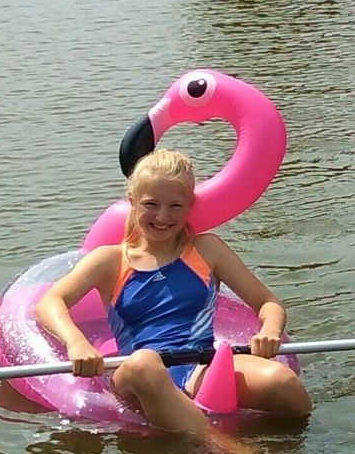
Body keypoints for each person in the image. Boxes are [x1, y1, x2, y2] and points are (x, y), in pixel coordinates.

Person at [35, 149, 312, 436]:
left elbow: (268, 302)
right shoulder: (110, 260)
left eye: (175, 206)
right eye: (151, 204)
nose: (162, 216)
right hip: (136, 375)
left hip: (200, 365)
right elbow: (49, 303)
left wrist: (270, 329)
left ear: (190, 205)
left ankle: (311, 447)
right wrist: (76, 343)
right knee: (146, 363)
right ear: (132, 202)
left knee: (282, 382)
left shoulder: (208, 250)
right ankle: (227, 452)